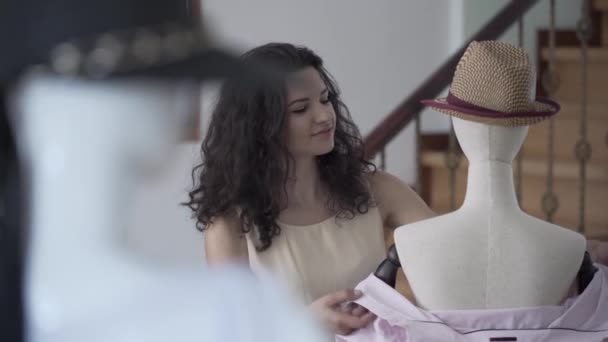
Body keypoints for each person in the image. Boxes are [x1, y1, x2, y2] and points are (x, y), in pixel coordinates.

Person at [184, 42, 435, 335]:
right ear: (260, 125)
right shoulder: (230, 223)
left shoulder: (377, 189)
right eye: (301, 109)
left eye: (325, 99)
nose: (325, 116)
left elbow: (452, 250)